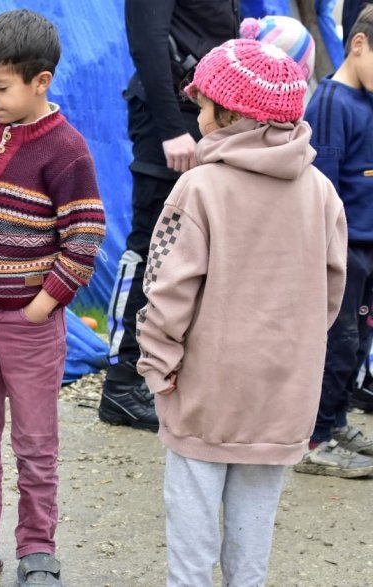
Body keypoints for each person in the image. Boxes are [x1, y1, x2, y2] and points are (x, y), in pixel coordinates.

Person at [136, 39, 348, 586]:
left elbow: (164, 288)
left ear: (234, 115)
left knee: (191, 545)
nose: (199, 115)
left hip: (203, 394)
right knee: (252, 548)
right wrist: (296, 353)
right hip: (283, 397)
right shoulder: (323, 193)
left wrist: (157, 365)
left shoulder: (198, 188)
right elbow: (330, 292)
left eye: (204, 106)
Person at [0, 10, 105, 587]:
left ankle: (37, 550)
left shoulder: (67, 150)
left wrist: (42, 305)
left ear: (41, 81)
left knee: (35, 442)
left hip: (30, 323)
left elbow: (84, 235)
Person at [100, 0, 239, 432]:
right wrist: (171, 129)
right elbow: (147, 41)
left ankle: (171, 372)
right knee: (150, 248)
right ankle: (122, 383)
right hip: (171, 125)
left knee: (198, 251)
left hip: (208, 119)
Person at [294, 5, 373, 478]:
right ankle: (316, 438)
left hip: (368, 248)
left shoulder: (367, 100)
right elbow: (321, 190)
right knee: (336, 343)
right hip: (341, 250)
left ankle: (337, 421)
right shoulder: (331, 103)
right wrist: (326, 255)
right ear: (359, 45)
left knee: (357, 342)